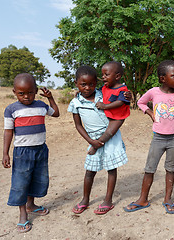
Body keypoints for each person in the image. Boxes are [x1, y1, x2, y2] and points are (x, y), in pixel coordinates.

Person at [124, 60, 174, 214]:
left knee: (170, 168)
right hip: (158, 138)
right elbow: (142, 102)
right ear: (163, 78)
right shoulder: (153, 92)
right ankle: (143, 199)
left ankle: (167, 199)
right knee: (150, 168)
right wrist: (149, 112)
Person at [2, 73, 60, 233]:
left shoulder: (41, 105)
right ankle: (22, 214)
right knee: (21, 182)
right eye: (21, 93)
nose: (26, 96)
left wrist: (50, 98)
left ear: (35, 90)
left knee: (37, 178)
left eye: (30, 92)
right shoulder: (11, 109)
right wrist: (5, 153)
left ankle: (31, 205)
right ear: (14, 92)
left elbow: (56, 113)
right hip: (22, 152)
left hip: (40, 149)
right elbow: (8, 132)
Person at [68, 65, 129, 215]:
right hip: (93, 139)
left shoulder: (103, 94)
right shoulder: (75, 103)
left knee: (111, 169)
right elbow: (78, 125)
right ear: (76, 83)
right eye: (83, 84)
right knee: (90, 171)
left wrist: (128, 95)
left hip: (110, 135)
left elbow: (119, 93)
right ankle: (85, 199)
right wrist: (90, 141)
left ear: (96, 83)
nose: (88, 88)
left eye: (92, 84)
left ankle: (108, 200)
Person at [89, 61, 130, 155]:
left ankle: (96, 146)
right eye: (102, 75)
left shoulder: (122, 89)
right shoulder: (104, 88)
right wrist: (80, 93)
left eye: (106, 75)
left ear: (117, 76)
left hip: (118, 117)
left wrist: (105, 106)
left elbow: (120, 102)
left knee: (109, 133)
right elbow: (94, 92)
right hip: (108, 115)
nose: (103, 77)